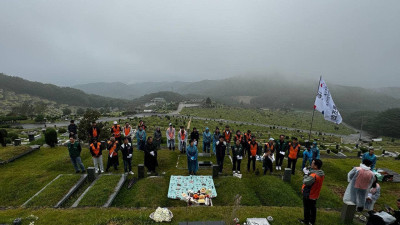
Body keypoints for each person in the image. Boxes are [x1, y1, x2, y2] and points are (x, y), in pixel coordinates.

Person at [299, 159, 325, 225]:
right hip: (315, 194)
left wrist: (305, 174)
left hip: (309, 194)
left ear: (316, 166)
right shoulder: (321, 173)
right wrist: (309, 171)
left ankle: (306, 221)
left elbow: (305, 181)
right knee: (313, 208)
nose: (311, 164)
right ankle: (312, 221)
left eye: (313, 163)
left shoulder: (313, 175)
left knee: (307, 208)